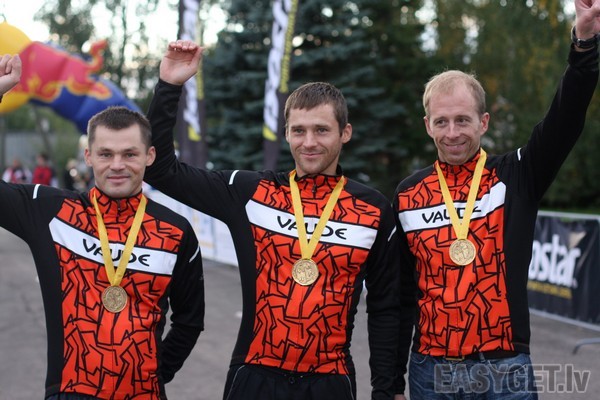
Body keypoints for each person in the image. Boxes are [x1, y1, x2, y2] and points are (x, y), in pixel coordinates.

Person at [144, 41, 400, 400]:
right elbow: (159, 168)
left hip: (330, 382)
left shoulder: (373, 209)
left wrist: (387, 390)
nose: (308, 142)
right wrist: (169, 86)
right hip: (254, 377)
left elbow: (387, 308)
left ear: (345, 132)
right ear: (286, 133)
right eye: (298, 130)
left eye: (321, 130)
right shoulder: (250, 192)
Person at [392, 1, 600, 399]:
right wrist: (390, 383)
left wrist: (584, 43)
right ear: (427, 126)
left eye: (463, 120)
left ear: (483, 122)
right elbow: (401, 296)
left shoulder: (517, 174)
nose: (452, 132)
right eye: (442, 122)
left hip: (505, 368)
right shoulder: (408, 194)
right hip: (431, 370)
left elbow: (566, 117)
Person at [0, 53, 205, 400]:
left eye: (130, 154)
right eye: (106, 154)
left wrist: (156, 373)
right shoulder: (51, 212)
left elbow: (189, 320)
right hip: (71, 391)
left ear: (149, 157)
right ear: (89, 156)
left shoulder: (176, 230)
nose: (117, 165)